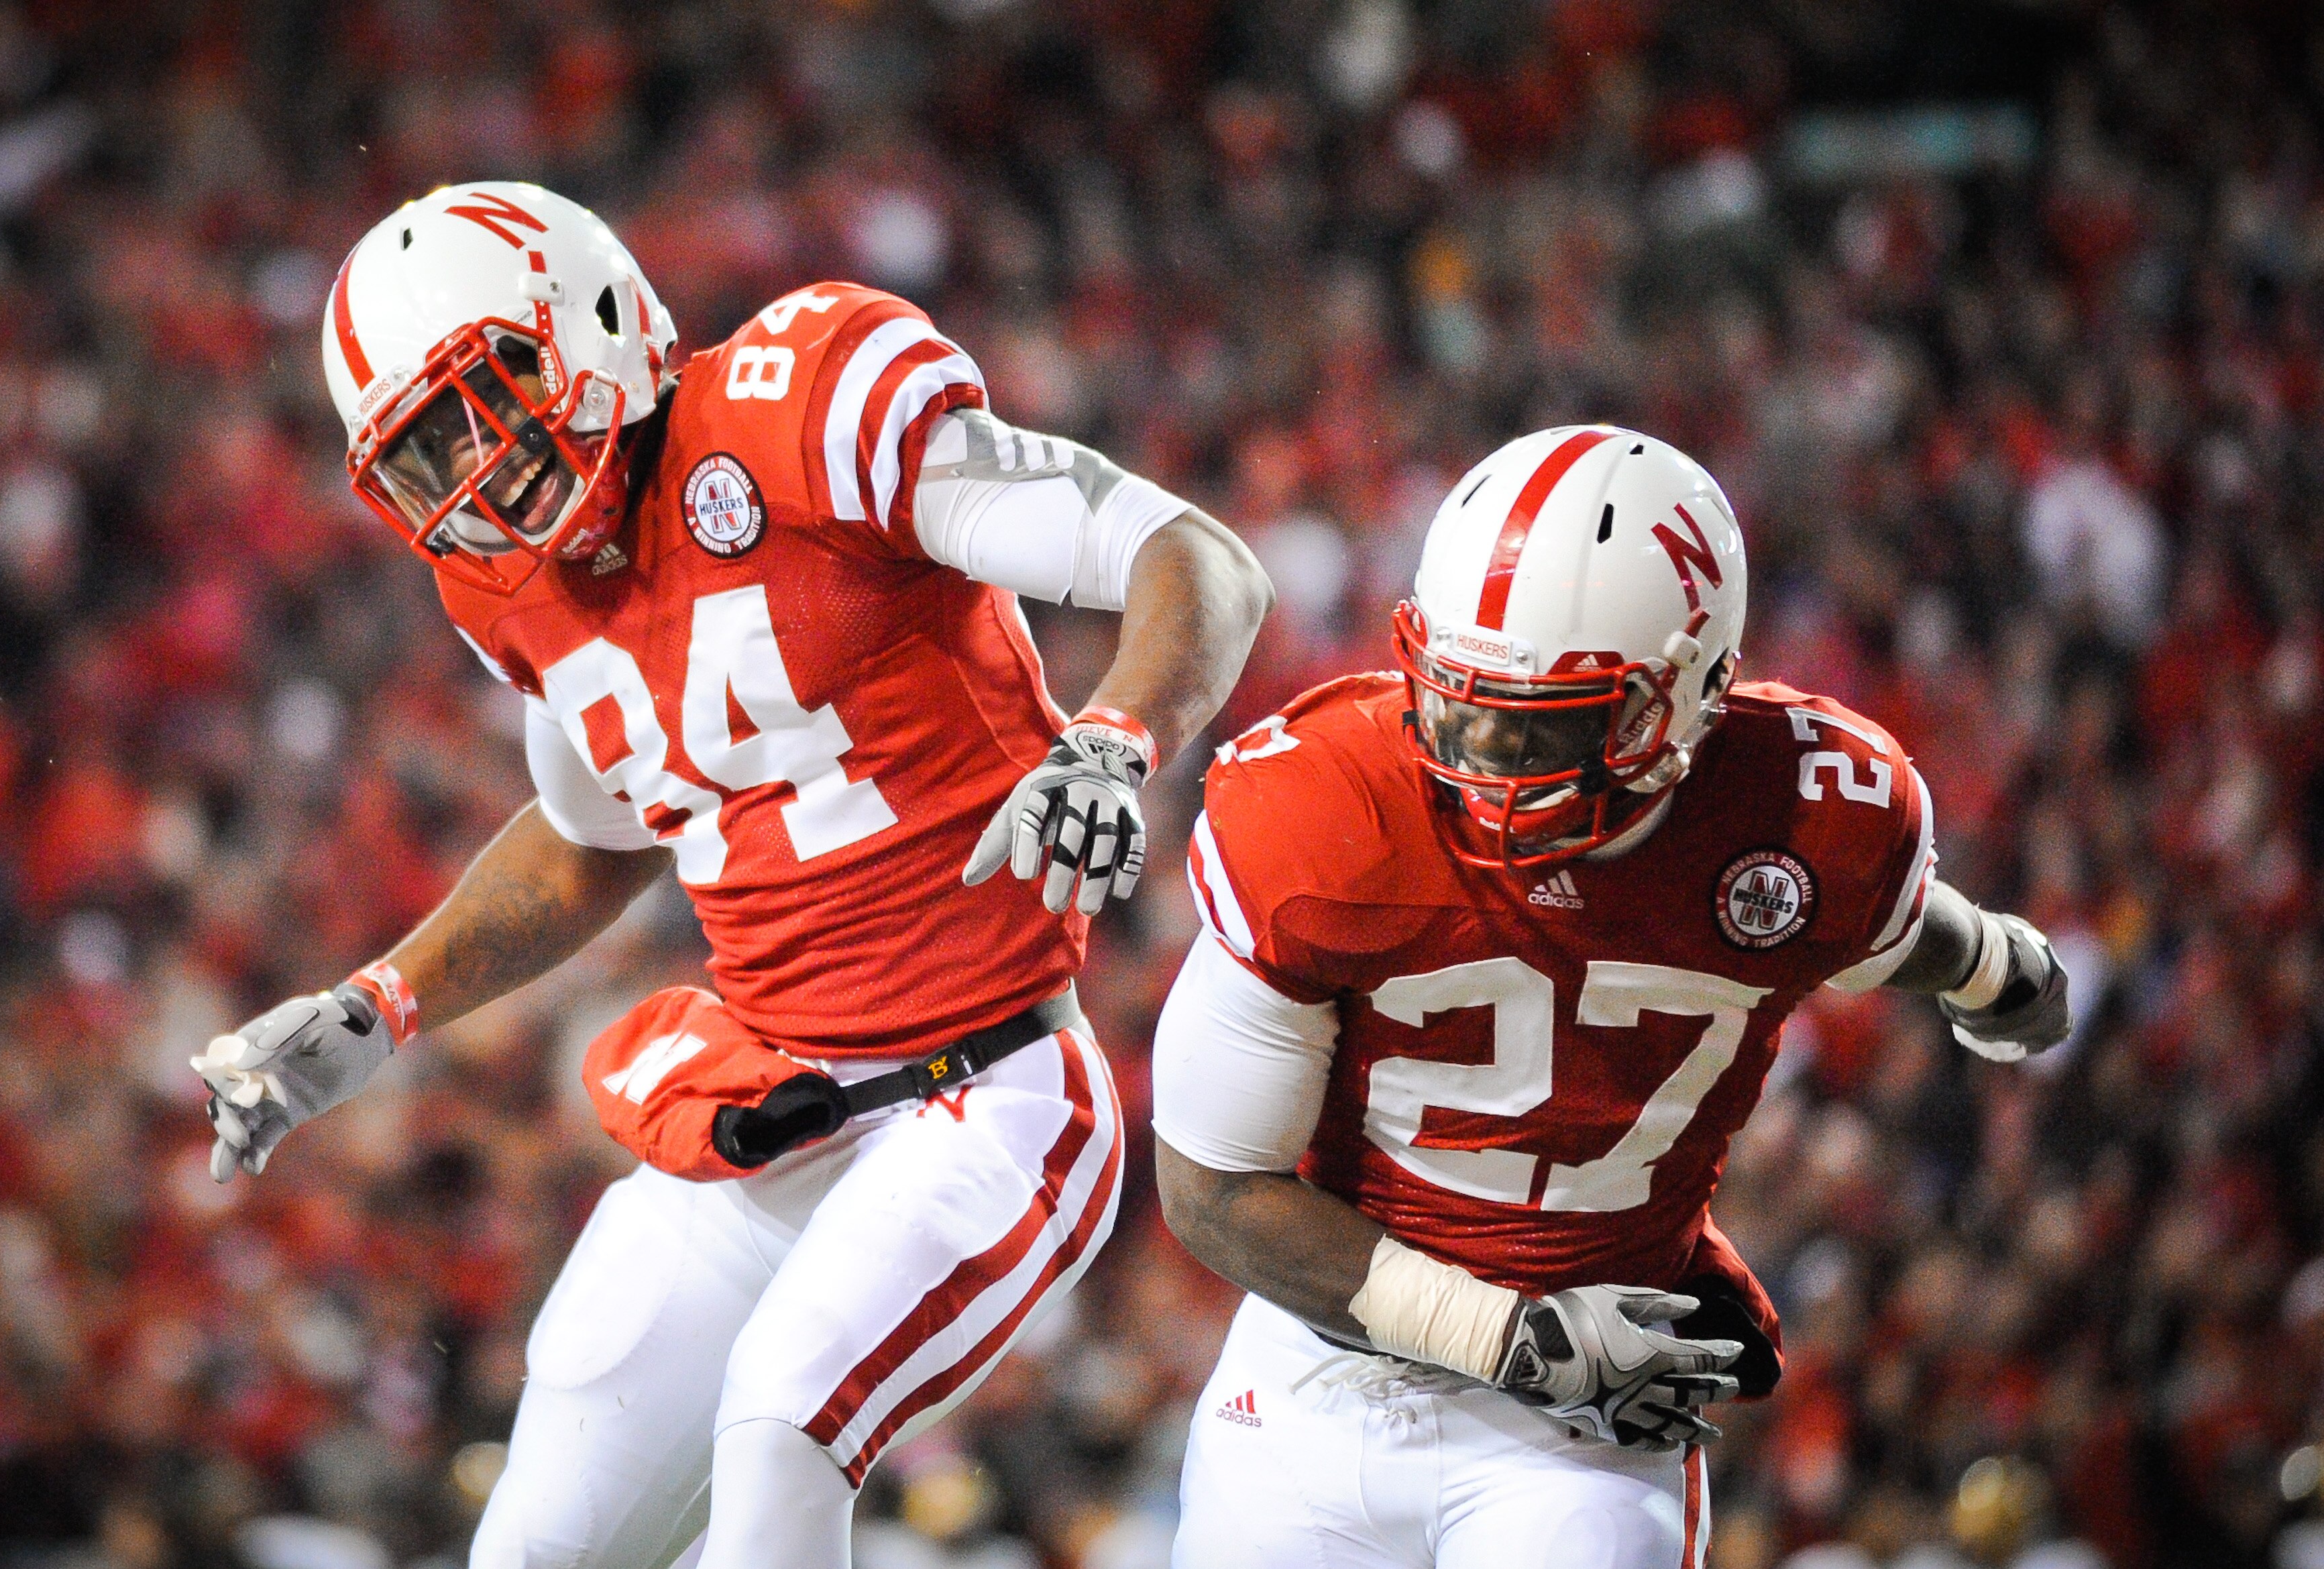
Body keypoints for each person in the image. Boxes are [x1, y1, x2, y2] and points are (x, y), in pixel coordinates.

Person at [185, 182, 1270, 1569]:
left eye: (491, 396)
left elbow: (1192, 556)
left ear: (594, 320)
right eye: (427, 448)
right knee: (536, 1541)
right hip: (768, 1108)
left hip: (986, 1095)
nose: (475, 467)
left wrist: (1116, 741)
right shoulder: (511, 589)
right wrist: (376, 1005)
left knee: (781, 1436)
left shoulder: (801, 408)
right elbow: (590, 835)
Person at [1150, 425, 2067, 1568]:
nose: (1482, 757)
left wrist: (1991, 964)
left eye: (1543, 722)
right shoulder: (1326, 808)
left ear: (1688, 696)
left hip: (1582, 1427)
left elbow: (1879, 927)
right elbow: (1213, 1192)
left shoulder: (1802, 818)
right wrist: (1512, 1337)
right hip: (1325, 1368)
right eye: (1459, 701)